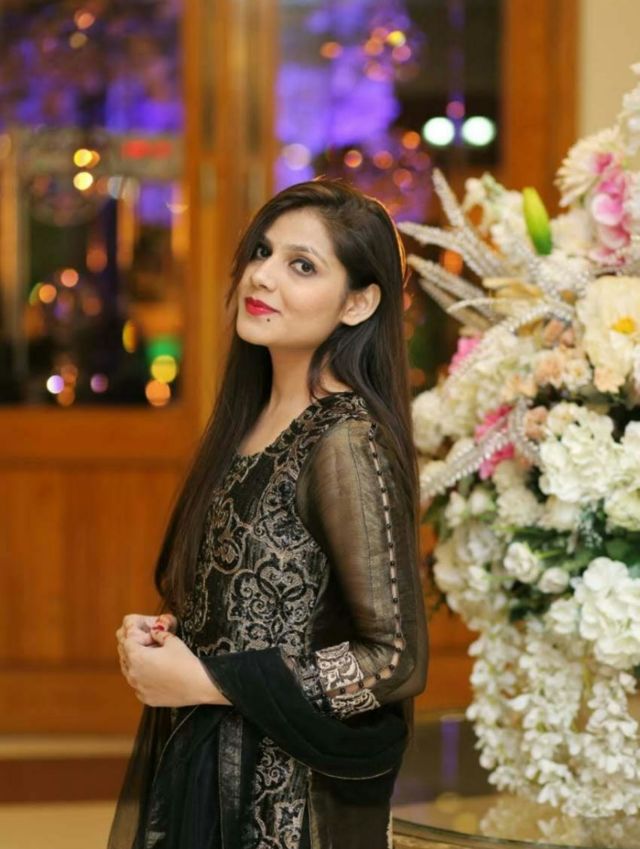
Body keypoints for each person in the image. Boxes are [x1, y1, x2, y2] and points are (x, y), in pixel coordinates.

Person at [110, 178, 428, 849]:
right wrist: (173, 637)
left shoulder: (345, 440)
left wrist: (211, 680)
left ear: (359, 302)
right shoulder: (249, 419)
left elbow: (395, 660)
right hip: (210, 770)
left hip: (286, 804)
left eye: (302, 265)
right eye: (263, 251)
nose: (262, 275)